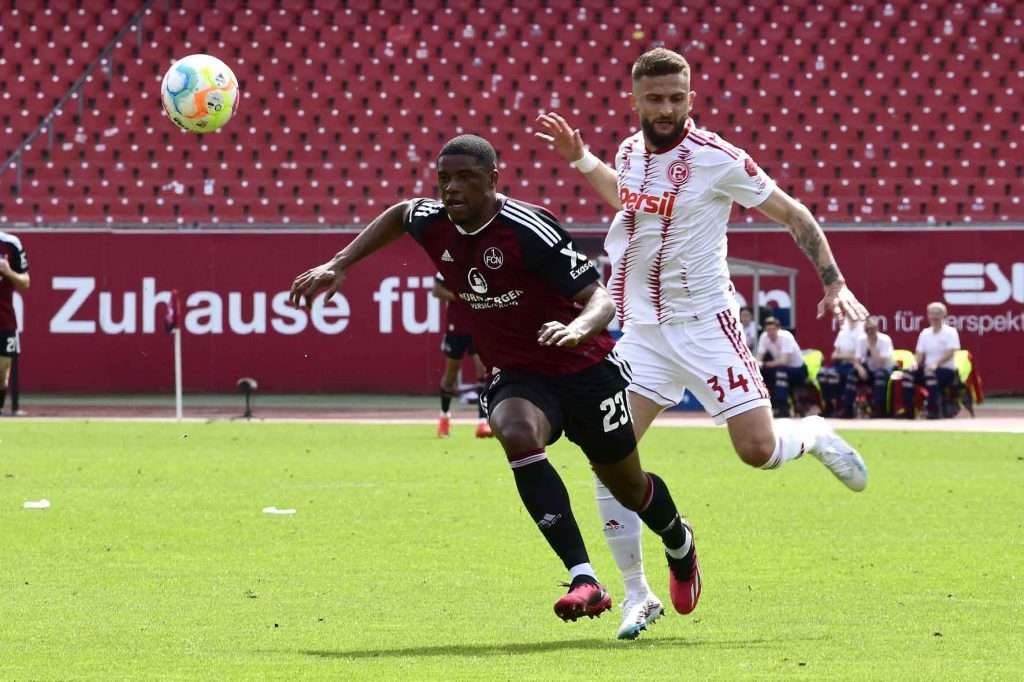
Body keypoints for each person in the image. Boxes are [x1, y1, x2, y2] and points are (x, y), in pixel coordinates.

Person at [289, 134, 700, 626]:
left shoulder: (528, 228)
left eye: (465, 178)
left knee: (630, 488)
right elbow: (401, 213)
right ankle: (584, 577)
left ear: (493, 180)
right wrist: (339, 264)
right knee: (515, 431)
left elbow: (602, 299)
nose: (452, 189)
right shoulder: (432, 221)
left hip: (584, 367)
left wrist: (576, 329)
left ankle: (679, 540)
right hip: (520, 373)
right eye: (444, 179)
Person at [535, 47, 868, 639]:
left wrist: (835, 281)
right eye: (655, 99)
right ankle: (637, 594)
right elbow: (628, 201)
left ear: (691, 97)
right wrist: (583, 159)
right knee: (608, 456)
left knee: (757, 451)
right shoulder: (630, 151)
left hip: (707, 327)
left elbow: (795, 215)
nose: (666, 109)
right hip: (641, 333)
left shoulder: (718, 160)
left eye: (677, 98)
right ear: (635, 100)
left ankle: (813, 433)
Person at [430, 273, 492, 438]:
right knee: (450, 375)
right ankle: (444, 418)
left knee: (483, 372)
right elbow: (436, 291)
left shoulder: (479, 264)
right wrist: (460, 297)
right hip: (456, 327)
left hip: (476, 326)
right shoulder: (449, 262)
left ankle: (482, 423)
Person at [902, 302, 960, 419]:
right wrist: (914, 364)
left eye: (937, 314)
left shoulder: (950, 332)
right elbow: (919, 354)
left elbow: (950, 352)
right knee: (907, 374)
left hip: (946, 371)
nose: (934, 317)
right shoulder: (925, 333)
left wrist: (936, 364)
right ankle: (908, 411)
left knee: (930, 374)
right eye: (932, 314)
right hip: (928, 369)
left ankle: (933, 410)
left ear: (944, 315)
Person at [0, 231, 30, 415]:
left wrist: (8, 271)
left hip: (3, 320)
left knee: (2, 374)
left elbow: (25, 282)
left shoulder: (11, 243)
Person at [756, 317, 809, 417]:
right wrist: (758, 366)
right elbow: (759, 359)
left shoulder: (786, 337)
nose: (770, 332)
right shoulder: (764, 337)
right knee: (761, 373)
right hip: (779, 368)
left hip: (798, 370)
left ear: (778, 329)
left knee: (781, 372)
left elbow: (784, 361)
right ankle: (768, 406)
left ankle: (783, 407)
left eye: (773, 329)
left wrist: (764, 364)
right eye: (768, 330)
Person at [818, 318, 864, 417]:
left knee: (849, 376)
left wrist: (842, 355)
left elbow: (858, 356)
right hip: (840, 365)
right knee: (823, 373)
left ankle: (846, 408)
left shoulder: (862, 333)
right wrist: (846, 355)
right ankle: (829, 406)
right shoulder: (842, 333)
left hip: (854, 365)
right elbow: (834, 355)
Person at [850, 316, 895, 418]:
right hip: (868, 370)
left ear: (876, 328)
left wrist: (871, 345)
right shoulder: (861, 340)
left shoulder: (885, 340)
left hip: (885, 370)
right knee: (852, 374)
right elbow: (856, 361)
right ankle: (848, 409)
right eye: (867, 329)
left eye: (872, 329)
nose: (869, 331)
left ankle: (878, 409)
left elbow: (880, 363)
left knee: (879, 375)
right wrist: (860, 369)